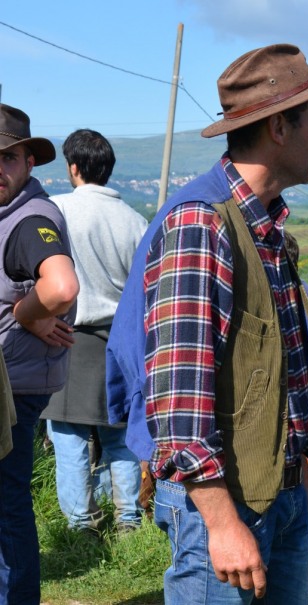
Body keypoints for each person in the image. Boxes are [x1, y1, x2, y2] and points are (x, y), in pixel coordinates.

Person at [106, 44, 308, 603]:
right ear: (279, 129)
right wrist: (219, 523)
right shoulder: (202, 224)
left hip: (276, 492)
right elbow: (181, 395)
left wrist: (303, 479)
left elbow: (272, 379)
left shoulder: (263, 225)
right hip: (223, 500)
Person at [40, 129, 148, 535]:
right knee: (118, 437)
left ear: (73, 167)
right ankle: (128, 521)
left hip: (68, 338)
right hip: (120, 343)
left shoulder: (57, 210)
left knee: (68, 437)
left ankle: (81, 525)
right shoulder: (135, 221)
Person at [0, 104, 79, 604]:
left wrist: (30, 314)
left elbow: (62, 286)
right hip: (11, 382)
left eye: (7, 157)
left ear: (29, 161)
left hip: (9, 389)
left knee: (6, 508)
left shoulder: (30, 216)